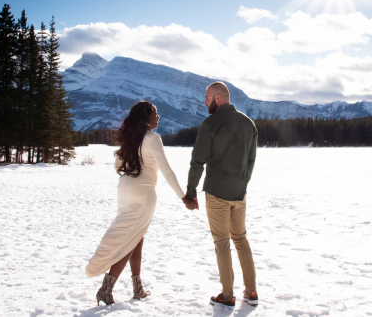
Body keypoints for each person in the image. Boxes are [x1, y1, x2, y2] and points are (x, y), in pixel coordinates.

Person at [85, 100, 195, 305]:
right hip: (143, 193)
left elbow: (118, 165)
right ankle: (106, 290)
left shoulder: (130, 138)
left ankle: (137, 288)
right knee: (131, 240)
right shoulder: (153, 138)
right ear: (146, 116)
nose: (158, 116)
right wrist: (184, 197)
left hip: (125, 189)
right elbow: (167, 171)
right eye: (155, 112)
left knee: (135, 238)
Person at [184, 81, 259, 308]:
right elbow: (251, 161)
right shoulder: (249, 124)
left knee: (222, 242)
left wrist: (191, 191)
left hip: (217, 193)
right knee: (241, 239)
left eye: (206, 97)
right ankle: (252, 291)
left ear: (218, 98)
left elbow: (198, 161)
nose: (204, 101)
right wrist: (241, 184)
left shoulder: (210, 123)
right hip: (239, 193)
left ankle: (227, 295)